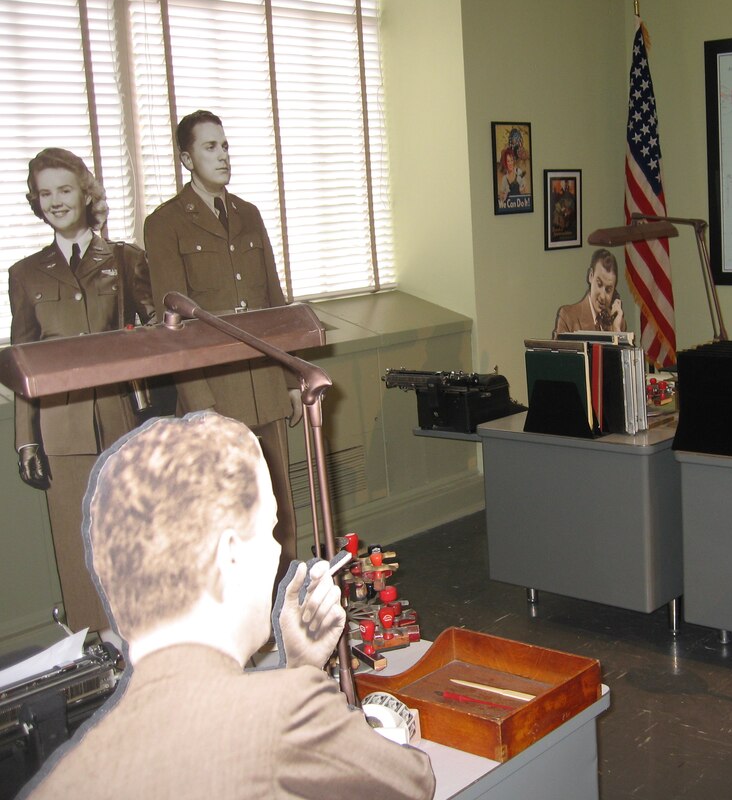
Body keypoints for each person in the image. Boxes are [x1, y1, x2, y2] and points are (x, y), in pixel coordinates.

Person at [20, 412, 436, 799]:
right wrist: (302, 686)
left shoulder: (63, 782)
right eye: (270, 530)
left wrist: (301, 668)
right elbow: (413, 783)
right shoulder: (285, 711)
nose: (278, 550)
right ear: (230, 554)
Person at [144, 109, 302, 581]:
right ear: (186, 158)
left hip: (264, 386)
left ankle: (286, 616)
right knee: (227, 521)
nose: (222, 155)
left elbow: (274, 302)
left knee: (278, 514)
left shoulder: (249, 215)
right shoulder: (166, 224)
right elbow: (175, 327)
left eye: (225, 145)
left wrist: (291, 379)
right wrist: (200, 406)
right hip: (215, 396)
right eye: (210, 147)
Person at [8, 148, 157, 633]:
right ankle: (95, 655)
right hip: (61, 430)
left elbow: (159, 337)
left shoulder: (125, 259)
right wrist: (26, 438)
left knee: (131, 538)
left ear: (86, 193)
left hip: (122, 420)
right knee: (78, 549)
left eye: (64, 190)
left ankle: (146, 644)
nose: (55, 201)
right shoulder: (25, 274)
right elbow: (25, 362)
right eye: (45, 193)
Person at [552, 248, 627, 336]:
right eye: (599, 284)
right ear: (591, 276)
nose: (603, 296)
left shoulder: (617, 322)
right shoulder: (568, 317)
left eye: (608, 290)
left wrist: (616, 330)